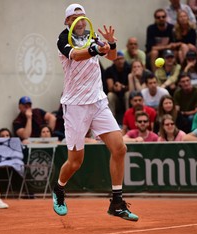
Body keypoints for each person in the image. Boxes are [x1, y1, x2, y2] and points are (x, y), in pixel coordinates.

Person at [56, 4, 138, 221]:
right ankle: (59, 190)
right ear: (68, 22)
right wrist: (93, 49)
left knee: (120, 148)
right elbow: (75, 55)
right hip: (75, 106)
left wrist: (110, 43)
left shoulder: (92, 37)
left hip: (98, 102)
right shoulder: (62, 38)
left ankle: (117, 203)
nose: (80, 21)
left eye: (82, 17)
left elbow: (110, 57)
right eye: (75, 18)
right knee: (75, 162)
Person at [105, 50, 131, 122]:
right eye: (117, 59)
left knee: (127, 94)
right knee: (110, 95)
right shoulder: (109, 70)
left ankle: (128, 118)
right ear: (113, 61)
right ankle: (111, 120)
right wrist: (115, 87)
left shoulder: (129, 68)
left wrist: (122, 87)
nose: (120, 61)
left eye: (121, 59)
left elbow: (131, 87)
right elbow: (110, 88)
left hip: (126, 96)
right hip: (116, 98)